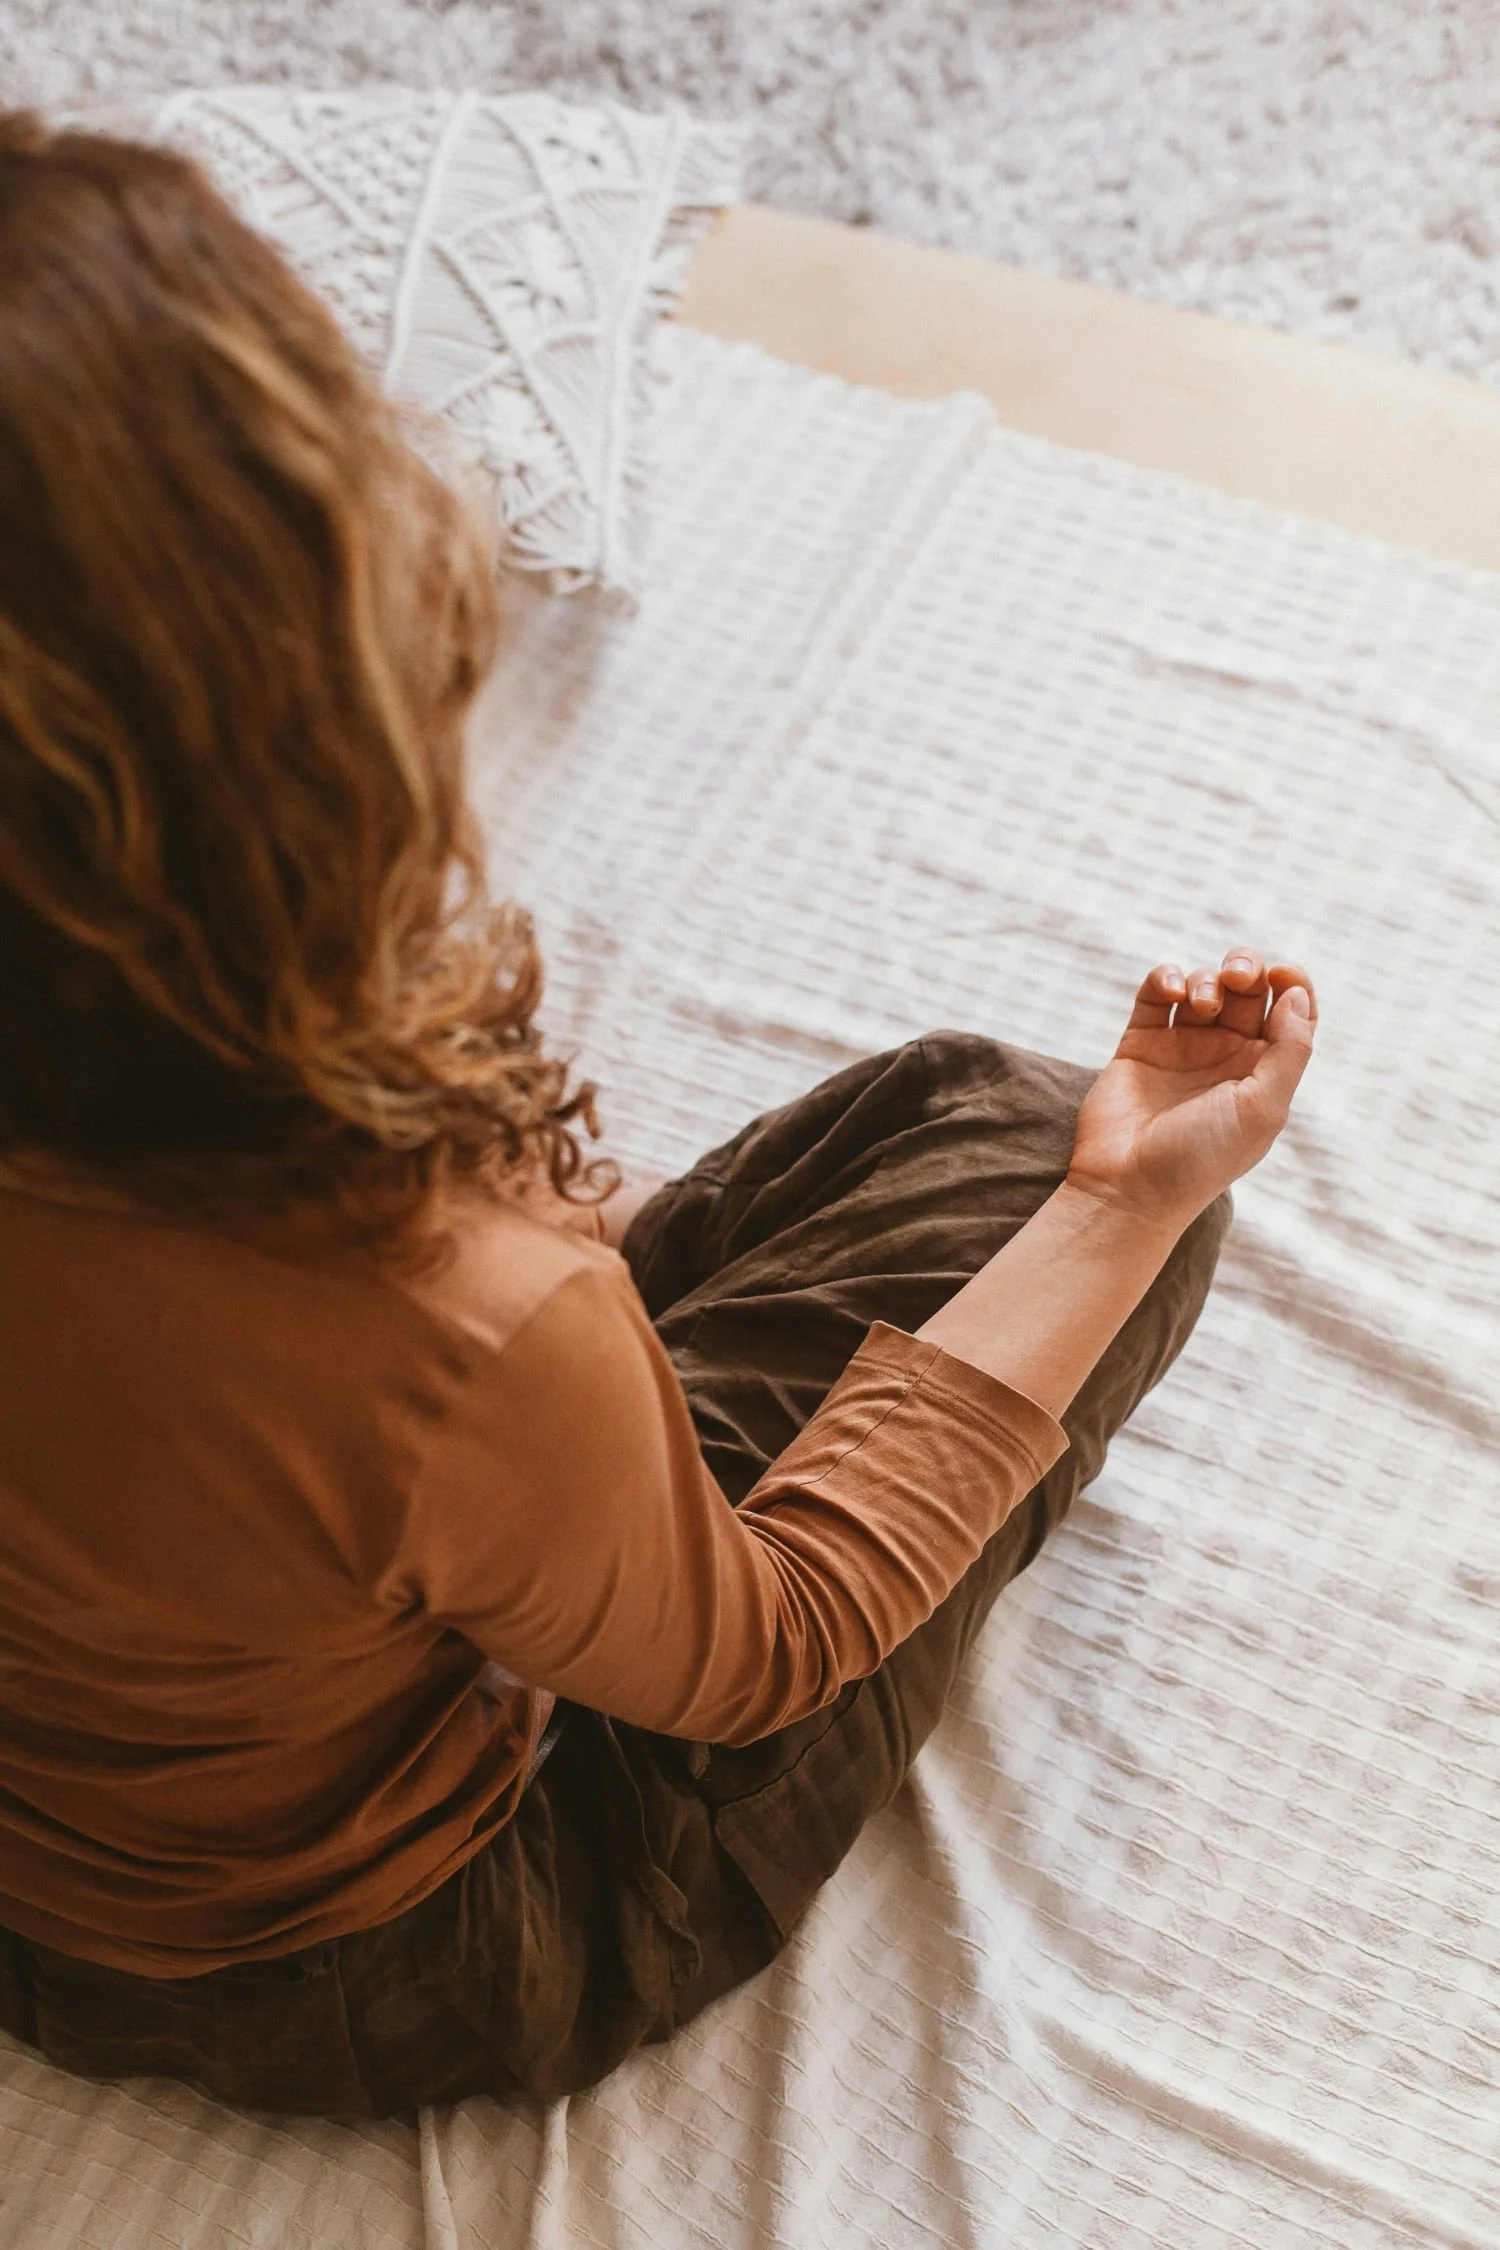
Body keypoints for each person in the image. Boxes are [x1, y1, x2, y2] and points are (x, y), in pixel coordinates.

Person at [0, 109, 1317, 2119]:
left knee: (949, 1113)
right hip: (378, 1956)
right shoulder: (439, 1308)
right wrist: (1131, 1205)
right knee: (1040, 1148)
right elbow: (773, 1651)